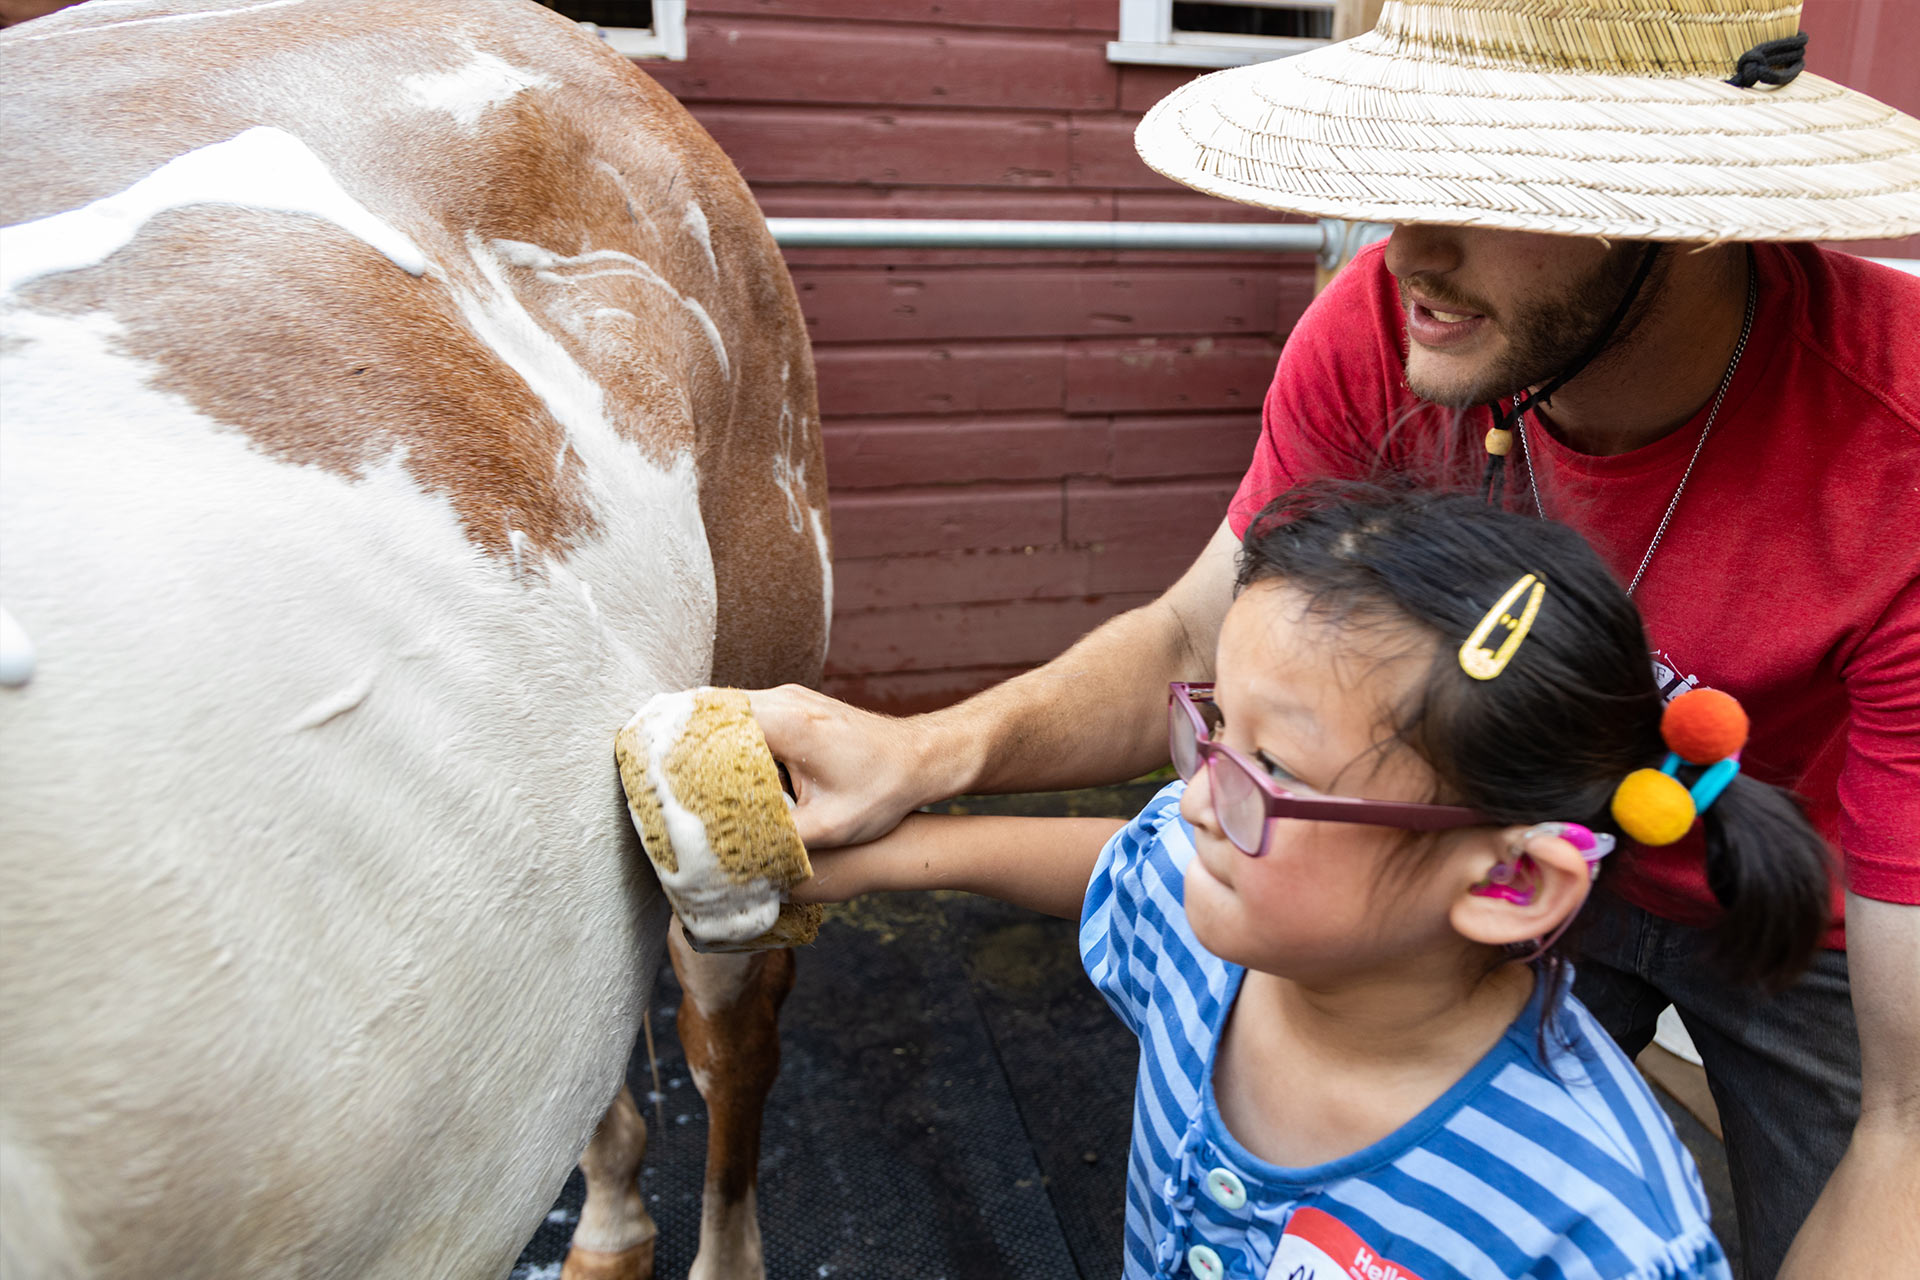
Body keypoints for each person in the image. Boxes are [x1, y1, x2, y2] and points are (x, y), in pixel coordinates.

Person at [751, 2, 1920, 1276]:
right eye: (1400, 172)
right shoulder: (1394, 327)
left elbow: (1908, 1122)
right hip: (1467, 838)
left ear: (1697, 203)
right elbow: (1196, 636)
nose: (1406, 250)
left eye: (1489, 183)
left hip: (1802, 898)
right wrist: (924, 754)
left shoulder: (1894, 450)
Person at [792, 485, 1832, 1280]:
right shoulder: (1220, 933)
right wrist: (871, 856)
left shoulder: (1592, 1219)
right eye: (1213, 732)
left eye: (1274, 769)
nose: (1197, 797)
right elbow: (1126, 861)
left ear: (1511, 877)